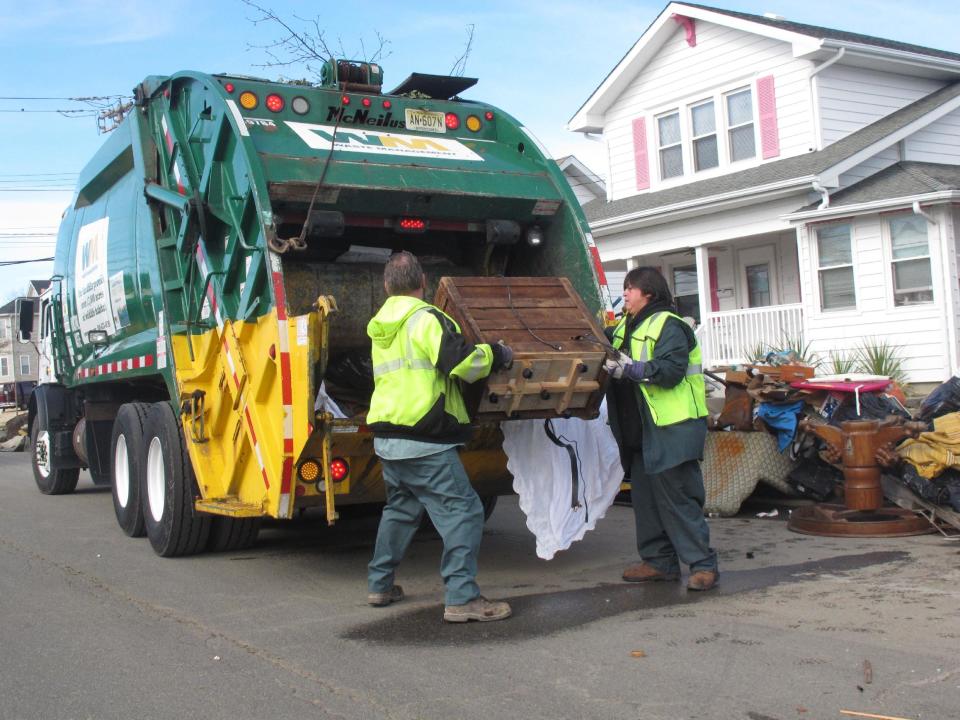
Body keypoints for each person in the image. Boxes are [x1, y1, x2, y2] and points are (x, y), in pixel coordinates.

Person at [365, 251, 515, 622]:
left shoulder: (380, 324)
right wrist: (496, 353)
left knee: (400, 509)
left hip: (387, 435)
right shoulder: (425, 319)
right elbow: (463, 363)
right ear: (424, 284)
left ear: (386, 286)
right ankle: (462, 598)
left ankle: (380, 585)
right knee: (464, 510)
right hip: (424, 437)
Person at [604, 267, 718, 591]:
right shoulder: (625, 326)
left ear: (649, 292)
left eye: (631, 288)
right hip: (641, 432)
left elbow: (670, 372)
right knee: (647, 501)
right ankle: (659, 562)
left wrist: (631, 368)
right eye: (624, 288)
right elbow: (605, 348)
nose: (625, 293)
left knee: (679, 498)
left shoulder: (671, 325)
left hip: (672, 428)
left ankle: (703, 565)